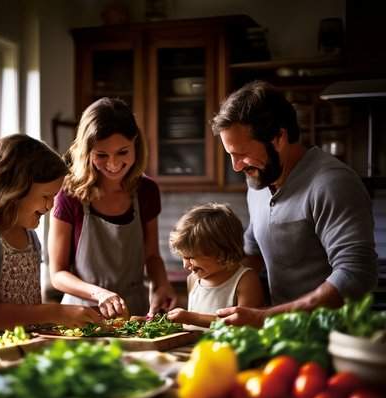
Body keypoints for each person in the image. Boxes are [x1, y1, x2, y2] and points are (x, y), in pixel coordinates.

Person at [210, 80, 377, 327]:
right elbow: (253, 251)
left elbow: (356, 275)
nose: (236, 166)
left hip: (334, 337)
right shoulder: (258, 179)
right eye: (230, 155)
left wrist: (265, 316)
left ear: (278, 138)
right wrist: (208, 273)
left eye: (242, 153)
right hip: (286, 334)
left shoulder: (331, 183)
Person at [0, 134, 102, 338]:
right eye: (46, 197)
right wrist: (56, 312)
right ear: (14, 190)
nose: (50, 206)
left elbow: (29, 310)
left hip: (19, 346)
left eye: (54, 197)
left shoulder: (30, 237)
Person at [48, 97, 176, 318]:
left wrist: (161, 284)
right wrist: (99, 294)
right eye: (101, 155)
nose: (113, 164)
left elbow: (152, 255)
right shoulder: (69, 194)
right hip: (82, 314)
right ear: (86, 152)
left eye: (123, 152)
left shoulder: (146, 191)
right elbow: (57, 273)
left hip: (133, 311)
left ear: (135, 144)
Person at [166, 202, 264, 328]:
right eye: (183, 257)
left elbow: (245, 326)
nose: (186, 265)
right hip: (196, 348)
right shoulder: (193, 279)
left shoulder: (245, 280)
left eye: (191, 257)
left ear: (222, 253)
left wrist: (191, 317)